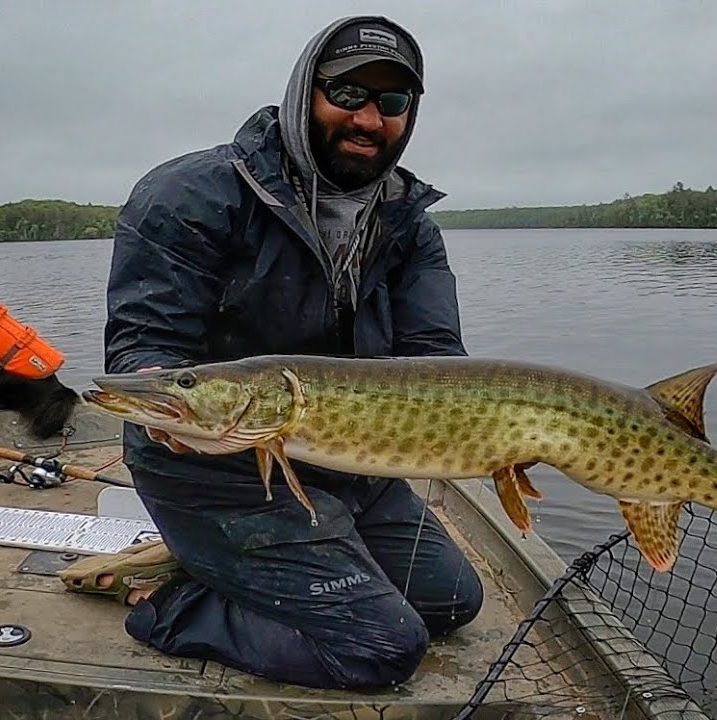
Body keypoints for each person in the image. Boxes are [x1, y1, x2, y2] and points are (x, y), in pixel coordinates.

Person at [72, 15, 485, 691]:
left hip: (340, 459)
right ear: (304, 92)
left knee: (448, 602)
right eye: (348, 93)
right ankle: (172, 607)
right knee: (383, 646)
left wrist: (494, 433)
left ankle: (252, 561)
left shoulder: (410, 225)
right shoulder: (189, 197)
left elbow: (436, 361)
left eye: (393, 102)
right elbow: (146, 344)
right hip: (213, 469)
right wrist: (159, 398)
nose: (370, 118)